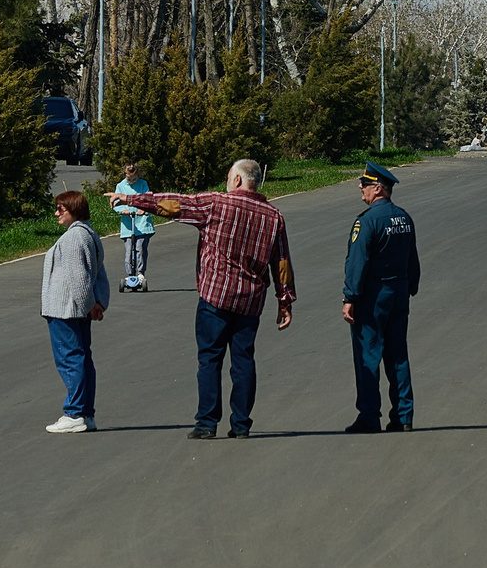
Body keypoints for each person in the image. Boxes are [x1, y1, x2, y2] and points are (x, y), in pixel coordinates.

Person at [119, 160, 296, 440]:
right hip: (250, 302)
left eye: (229, 177)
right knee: (243, 361)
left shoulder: (217, 204)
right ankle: (241, 424)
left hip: (215, 297)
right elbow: (282, 262)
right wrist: (284, 300)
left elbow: (175, 205)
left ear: (237, 180)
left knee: (210, 359)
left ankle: (207, 423)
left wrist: (131, 199)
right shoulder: (274, 217)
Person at [342, 163, 421, 432]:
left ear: (378, 189)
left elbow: (357, 262)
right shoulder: (404, 218)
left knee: (368, 355)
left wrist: (350, 297)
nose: (360, 187)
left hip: (373, 296)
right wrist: (411, 286)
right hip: (399, 293)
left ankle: (369, 416)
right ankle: (403, 415)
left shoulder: (367, 221)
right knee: (397, 355)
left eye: (364, 184)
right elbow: (412, 258)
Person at [40, 189, 109, 433]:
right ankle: (86, 414)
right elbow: (99, 274)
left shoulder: (73, 238)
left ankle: (75, 413)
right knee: (82, 358)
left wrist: (91, 305)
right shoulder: (88, 233)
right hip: (78, 309)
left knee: (70, 359)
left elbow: (79, 278)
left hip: (65, 310)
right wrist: (98, 303)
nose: (56, 213)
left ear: (74, 210)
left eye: (61, 209)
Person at [112, 161, 154, 291]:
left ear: (138, 175)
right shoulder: (120, 186)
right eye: (129, 179)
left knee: (140, 249)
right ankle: (130, 274)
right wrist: (122, 210)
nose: (132, 182)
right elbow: (116, 202)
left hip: (142, 224)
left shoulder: (143, 184)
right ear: (125, 175)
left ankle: (140, 273)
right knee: (129, 251)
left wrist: (143, 209)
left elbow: (147, 199)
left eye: (134, 179)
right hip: (128, 225)